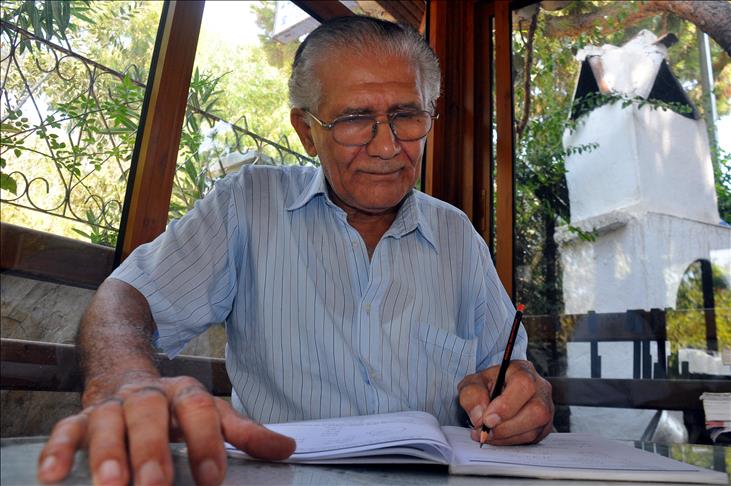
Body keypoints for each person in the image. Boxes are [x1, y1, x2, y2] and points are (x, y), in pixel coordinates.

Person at [37, 16, 553, 486]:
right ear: (307, 132)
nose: (386, 146)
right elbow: (127, 296)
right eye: (354, 119)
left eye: (406, 115)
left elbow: (508, 374)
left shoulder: (457, 236)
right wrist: (124, 381)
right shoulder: (249, 204)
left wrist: (525, 399)